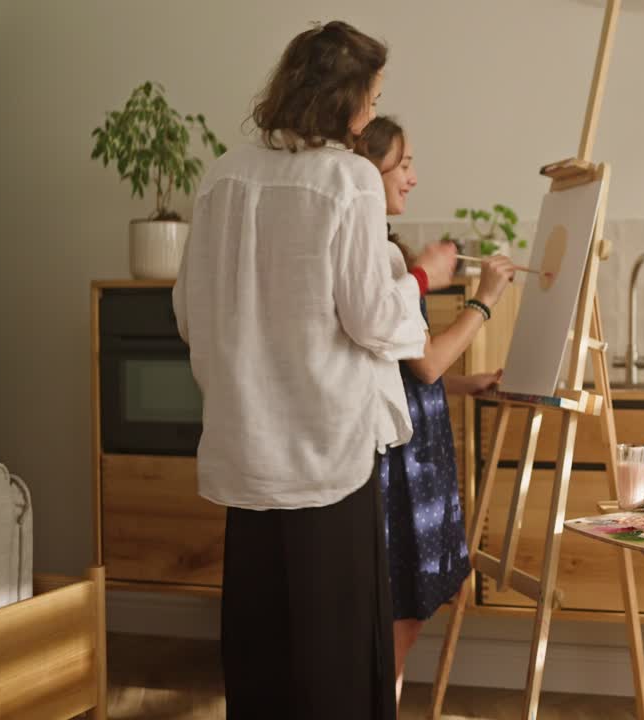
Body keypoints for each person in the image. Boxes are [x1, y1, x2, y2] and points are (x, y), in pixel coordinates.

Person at [172, 21, 457, 719]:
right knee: (337, 657)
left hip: (246, 449)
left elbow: (188, 309)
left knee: (260, 649)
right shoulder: (348, 178)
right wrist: (416, 279)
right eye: (371, 97)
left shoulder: (223, 174)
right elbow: (371, 317)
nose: (369, 114)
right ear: (344, 99)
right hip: (326, 451)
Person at [355, 115, 515, 708]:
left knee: (407, 615)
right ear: (367, 171)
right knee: (400, 618)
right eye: (403, 165)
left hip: (413, 459)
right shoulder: (377, 255)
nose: (414, 178)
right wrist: (484, 302)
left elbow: (398, 368)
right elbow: (422, 363)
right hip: (399, 467)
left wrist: (464, 383)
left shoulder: (384, 250)